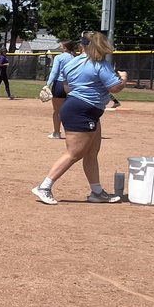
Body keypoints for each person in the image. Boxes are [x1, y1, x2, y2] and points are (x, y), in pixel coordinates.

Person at [32, 31, 128, 205]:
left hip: (80, 108)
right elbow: (115, 88)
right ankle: (44, 186)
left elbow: (67, 88)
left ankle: (97, 192)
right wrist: (123, 79)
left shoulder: (71, 62)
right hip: (83, 111)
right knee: (74, 154)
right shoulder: (100, 64)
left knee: (91, 153)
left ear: (81, 46)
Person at [45, 39, 78, 139]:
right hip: (72, 85)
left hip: (59, 84)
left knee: (57, 111)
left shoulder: (59, 57)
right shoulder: (75, 58)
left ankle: (56, 133)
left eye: (61, 45)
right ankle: (73, 133)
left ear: (65, 47)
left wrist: (47, 84)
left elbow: (54, 72)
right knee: (71, 110)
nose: (59, 47)